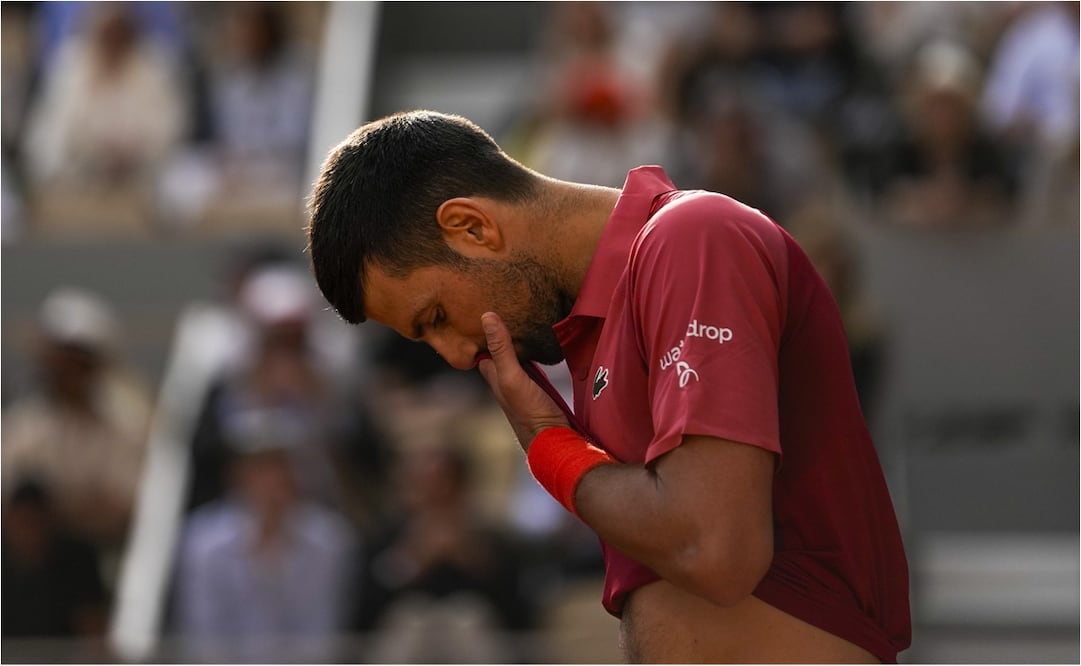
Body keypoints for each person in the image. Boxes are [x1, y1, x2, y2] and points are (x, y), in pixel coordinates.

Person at [305, 110, 911, 662]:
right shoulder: (593, 334)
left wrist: (550, 446)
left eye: (435, 317)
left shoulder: (692, 237)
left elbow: (714, 549)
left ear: (471, 227)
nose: (457, 355)